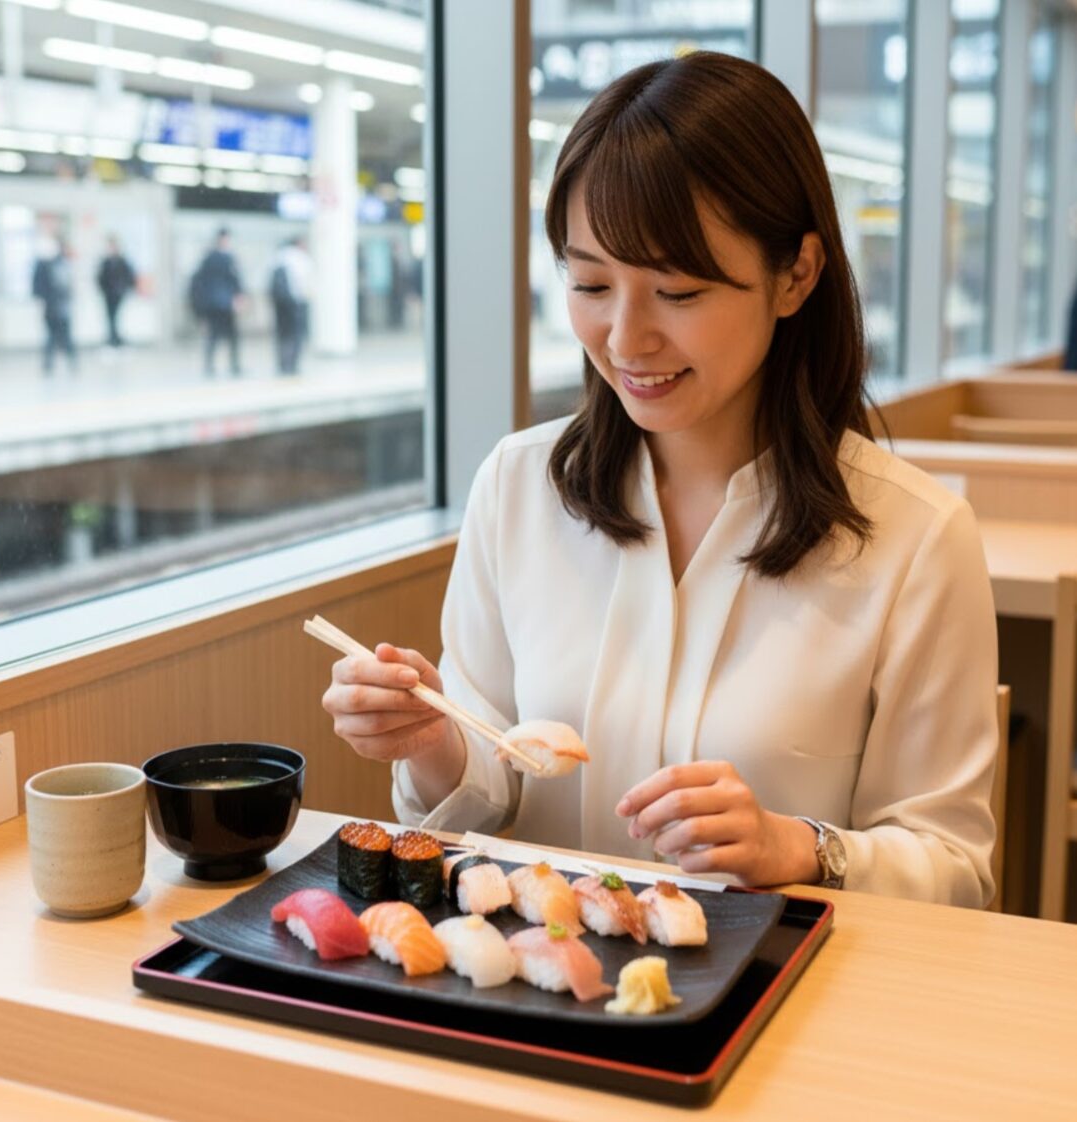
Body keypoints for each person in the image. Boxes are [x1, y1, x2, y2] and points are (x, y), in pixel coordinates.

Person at [320, 53, 999, 908]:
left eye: (676, 291)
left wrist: (802, 849)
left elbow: (956, 870)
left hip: (778, 1010)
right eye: (591, 283)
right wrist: (431, 738)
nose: (625, 339)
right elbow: (490, 792)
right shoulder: (519, 488)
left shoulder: (916, 540)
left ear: (796, 275)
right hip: (536, 994)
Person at [189, 228, 243, 377]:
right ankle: (234, 365)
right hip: (225, 304)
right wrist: (238, 298)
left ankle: (209, 366)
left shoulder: (207, 258)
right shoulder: (228, 258)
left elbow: (199, 282)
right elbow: (235, 281)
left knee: (213, 336)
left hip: (211, 304)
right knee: (231, 336)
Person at [32, 236, 77, 375]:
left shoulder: (64, 264)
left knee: (65, 336)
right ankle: (51, 363)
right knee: (52, 336)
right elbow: (39, 288)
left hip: (62, 307)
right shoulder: (46, 265)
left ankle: (71, 362)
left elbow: (69, 287)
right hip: (52, 307)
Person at [269, 237, 312, 375]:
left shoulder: (278, 257)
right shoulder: (301, 258)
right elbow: (307, 282)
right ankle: (292, 364)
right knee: (296, 334)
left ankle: (282, 364)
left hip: (279, 303)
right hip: (296, 302)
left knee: (282, 333)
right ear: (299, 244)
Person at [97, 235, 136, 348]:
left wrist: (125, 289)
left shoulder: (122, 261)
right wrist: (103, 290)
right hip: (108, 295)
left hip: (119, 294)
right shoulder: (105, 262)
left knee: (116, 317)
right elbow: (100, 278)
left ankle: (116, 339)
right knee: (110, 317)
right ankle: (112, 339)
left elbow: (129, 276)